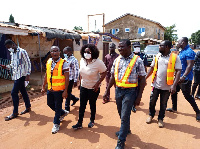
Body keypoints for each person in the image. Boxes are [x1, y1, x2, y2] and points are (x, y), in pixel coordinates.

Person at [103, 39, 146, 149]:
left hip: (131, 91)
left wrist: (139, 97)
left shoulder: (138, 60)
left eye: (122, 47)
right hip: (118, 90)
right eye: (119, 47)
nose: (120, 49)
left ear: (129, 47)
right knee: (121, 113)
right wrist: (107, 91)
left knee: (125, 115)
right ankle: (127, 129)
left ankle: (121, 141)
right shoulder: (117, 60)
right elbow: (112, 76)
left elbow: (142, 80)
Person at [145, 40, 182, 128]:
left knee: (163, 104)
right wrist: (145, 78)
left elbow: (178, 71)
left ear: (167, 47)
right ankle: (151, 115)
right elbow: (152, 68)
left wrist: (173, 85)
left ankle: (160, 119)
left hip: (167, 86)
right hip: (156, 84)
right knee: (152, 101)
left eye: (161, 46)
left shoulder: (175, 57)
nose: (159, 47)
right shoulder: (157, 56)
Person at [72, 44, 107, 129]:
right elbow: (81, 72)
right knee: (82, 105)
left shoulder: (98, 62)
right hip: (84, 86)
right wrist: (80, 82)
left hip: (93, 88)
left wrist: (98, 83)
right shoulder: (82, 60)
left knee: (92, 104)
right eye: (85, 52)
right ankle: (79, 123)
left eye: (88, 52)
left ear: (93, 53)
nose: (86, 53)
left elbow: (104, 72)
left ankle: (92, 120)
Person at [166, 37, 200, 121]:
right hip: (178, 77)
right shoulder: (182, 51)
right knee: (173, 91)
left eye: (179, 42)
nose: (177, 43)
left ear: (183, 42)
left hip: (185, 78)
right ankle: (174, 108)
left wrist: (183, 76)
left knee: (188, 96)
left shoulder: (189, 52)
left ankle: (198, 112)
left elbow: (190, 65)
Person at [41, 46, 69, 134]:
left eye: (57, 51)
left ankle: (56, 124)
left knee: (57, 107)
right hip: (50, 88)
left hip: (59, 90)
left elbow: (67, 78)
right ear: (50, 52)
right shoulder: (49, 61)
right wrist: (43, 86)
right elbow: (47, 74)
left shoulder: (63, 62)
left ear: (59, 52)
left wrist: (65, 91)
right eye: (53, 51)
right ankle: (63, 112)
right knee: (49, 103)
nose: (55, 53)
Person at [3, 39, 32, 121]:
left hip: (22, 75)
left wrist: (28, 74)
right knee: (23, 91)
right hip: (16, 75)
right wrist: (6, 66)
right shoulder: (12, 53)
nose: (9, 49)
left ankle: (15, 112)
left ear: (13, 45)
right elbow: (13, 64)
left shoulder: (22, 51)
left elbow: (28, 63)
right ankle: (28, 107)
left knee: (13, 92)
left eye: (9, 47)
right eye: (7, 48)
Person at [131, 42, 148, 112]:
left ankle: (134, 104)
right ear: (133, 47)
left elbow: (145, 67)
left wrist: (145, 78)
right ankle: (132, 105)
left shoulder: (143, 56)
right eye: (135, 47)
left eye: (138, 46)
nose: (136, 48)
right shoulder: (130, 55)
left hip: (140, 78)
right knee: (132, 92)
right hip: (132, 78)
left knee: (138, 91)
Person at [63, 46, 79, 112]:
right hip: (64, 79)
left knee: (68, 93)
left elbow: (76, 70)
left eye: (65, 53)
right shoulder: (64, 59)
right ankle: (74, 99)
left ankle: (67, 108)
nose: (64, 54)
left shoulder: (74, 60)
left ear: (69, 52)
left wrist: (75, 80)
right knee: (65, 92)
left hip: (71, 79)